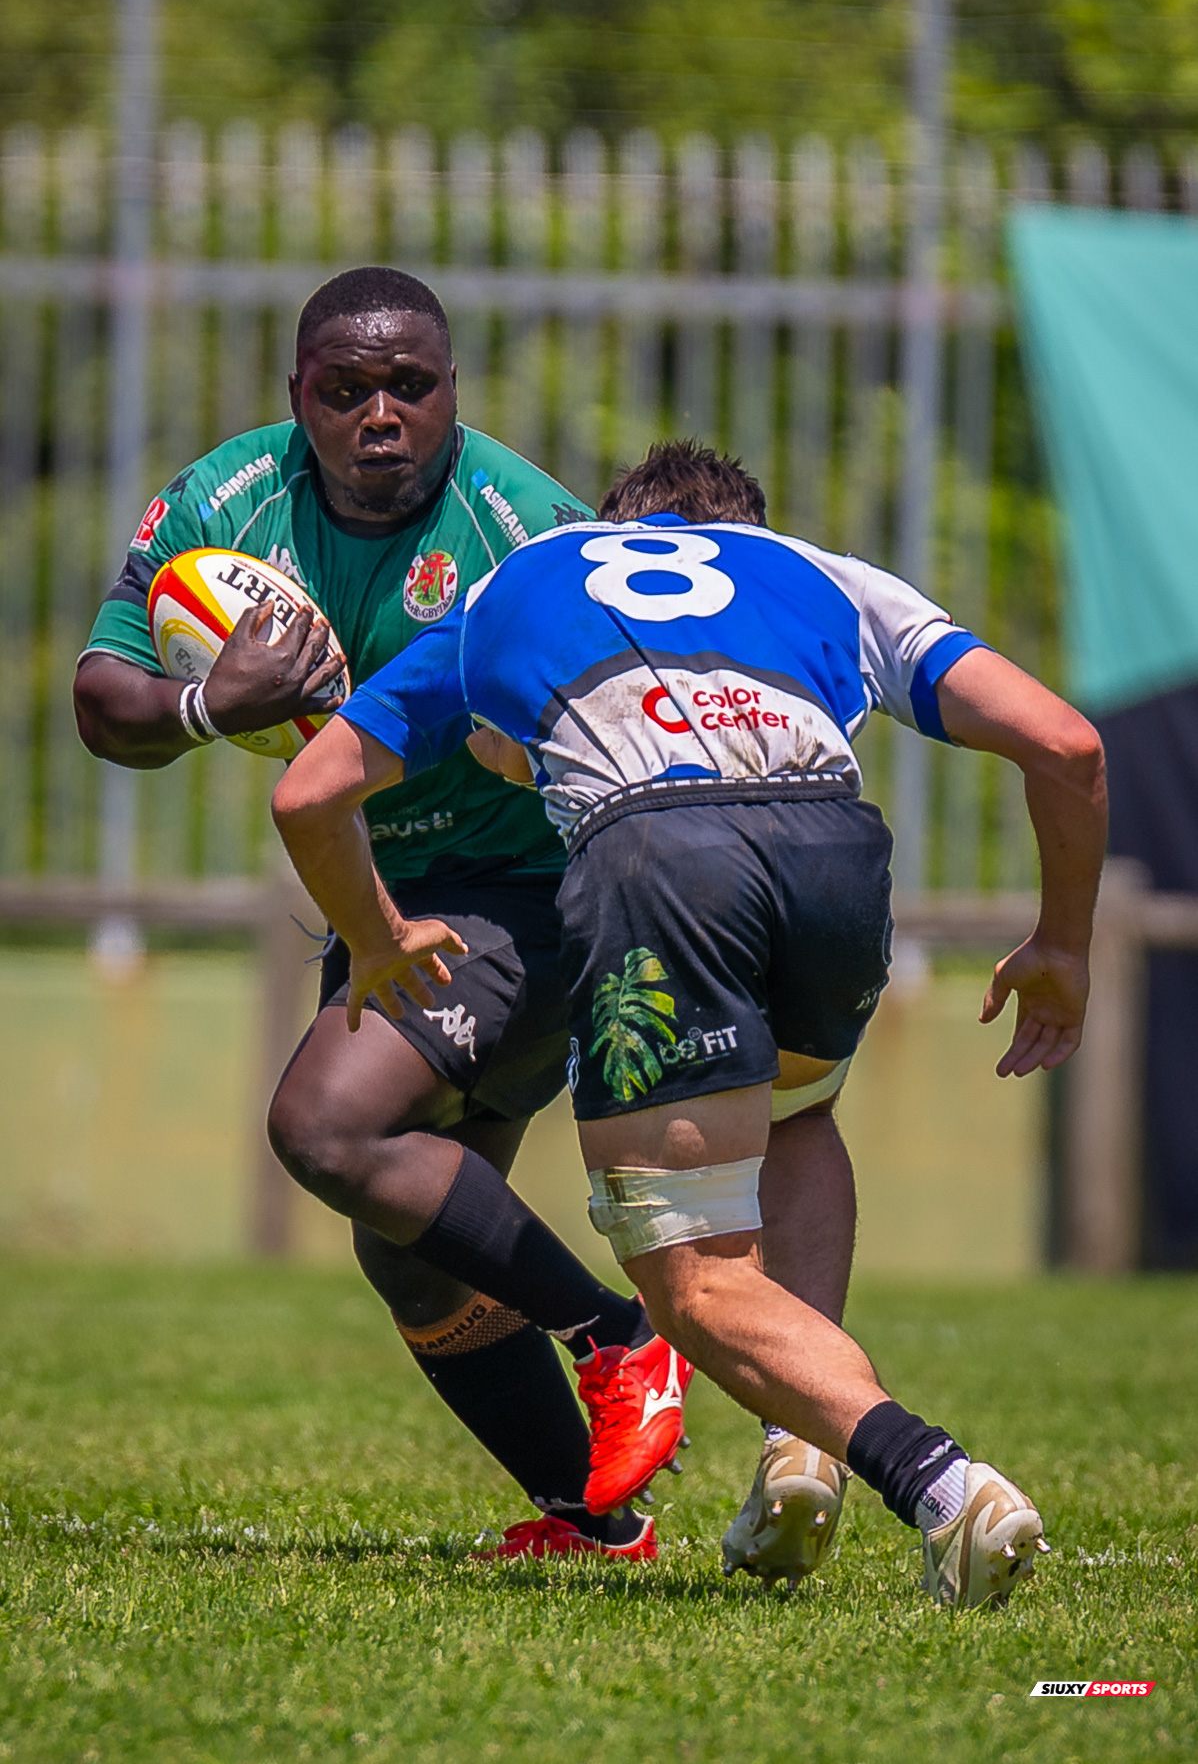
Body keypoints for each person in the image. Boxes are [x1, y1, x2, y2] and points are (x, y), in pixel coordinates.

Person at [270, 438, 1107, 1608]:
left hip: (658, 855)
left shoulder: (528, 574)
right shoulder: (820, 575)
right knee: (799, 1111)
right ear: (743, 530)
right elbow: (1067, 744)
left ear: (616, 524)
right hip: (833, 847)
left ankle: (939, 1483)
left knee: (692, 1285)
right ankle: (792, 1446)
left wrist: (374, 937)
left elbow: (308, 792)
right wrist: (1061, 946)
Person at [72, 266, 695, 1563]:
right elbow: (102, 699)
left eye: (407, 386)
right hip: (384, 900)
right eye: (343, 390)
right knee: (407, 1252)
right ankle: (594, 1519)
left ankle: (619, 1340)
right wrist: (206, 706)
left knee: (321, 1124)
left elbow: (645, 712)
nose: (377, 414)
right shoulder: (223, 512)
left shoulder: (524, 533)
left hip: (533, 895)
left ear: (450, 391)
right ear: (297, 396)